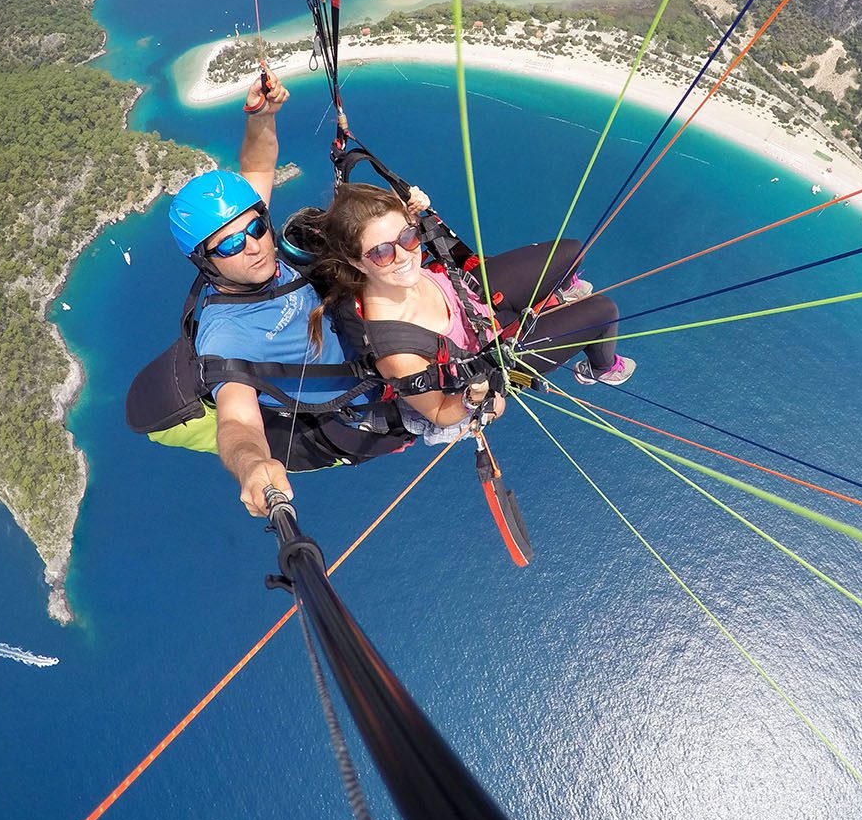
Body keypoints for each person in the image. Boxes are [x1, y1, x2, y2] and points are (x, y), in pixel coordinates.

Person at [165, 74, 407, 515]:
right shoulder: (225, 336)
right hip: (373, 400)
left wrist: (262, 117)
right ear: (206, 262)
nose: (253, 243)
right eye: (231, 244)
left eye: (256, 227)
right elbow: (237, 421)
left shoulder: (257, 250)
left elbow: (256, 169)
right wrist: (253, 466)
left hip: (373, 336)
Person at [308, 182, 635, 446]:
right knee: (602, 312)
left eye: (408, 237)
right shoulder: (395, 350)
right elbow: (437, 411)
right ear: (356, 262)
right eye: (380, 253)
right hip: (491, 361)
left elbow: (389, 224)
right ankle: (600, 367)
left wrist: (411, 205)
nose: (403, 255)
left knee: (573, 251)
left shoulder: (396, 247)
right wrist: (470, 400)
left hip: (468, 292)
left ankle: (554, 296)